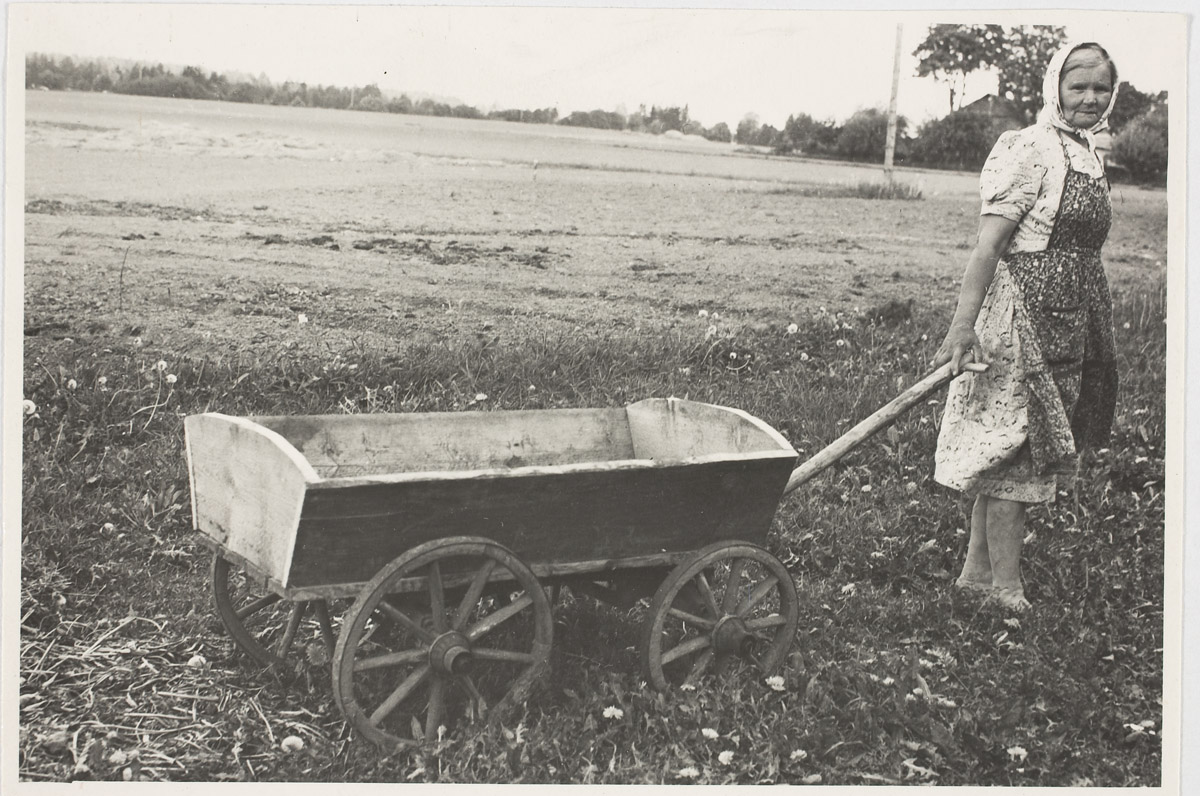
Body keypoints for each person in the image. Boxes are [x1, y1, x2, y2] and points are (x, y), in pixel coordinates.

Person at [931, 42, 1120, 611]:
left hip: (1071, 317)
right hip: (1022, 319)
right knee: (1015, 449)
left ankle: (975, 575)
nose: (1089, 98)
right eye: (1077, 86)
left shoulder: (1088, 153)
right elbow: (989, 247)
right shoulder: (1029, 148)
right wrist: (963, 328)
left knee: (1016, 448)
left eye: (1100, 89)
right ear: (1054, 88)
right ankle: (1006, 590)